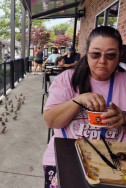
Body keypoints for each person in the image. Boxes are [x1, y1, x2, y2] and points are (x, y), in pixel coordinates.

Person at [42, 26, 126, 188]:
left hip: (115, 160)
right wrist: (78, 100)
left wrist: (124, 119)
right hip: (67, 157)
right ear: (86, 52)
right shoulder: (67, 79)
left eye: (110, 55)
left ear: (119, 55)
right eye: (95, 54)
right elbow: (51, 121)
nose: (102, 61)